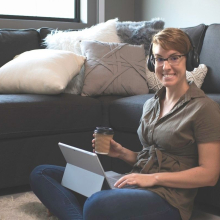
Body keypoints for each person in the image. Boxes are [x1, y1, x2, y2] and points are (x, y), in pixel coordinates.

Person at [30, 28, 220, 220]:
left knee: (97, 204)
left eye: (174, 58)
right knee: (42, 174)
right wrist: (120, 152)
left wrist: (151, 179)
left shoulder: (204, 108)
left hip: (168, 199)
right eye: (160, 59)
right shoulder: (151, 104)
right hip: (133, 183)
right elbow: (150, 159)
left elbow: (209, 174)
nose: (166, 66)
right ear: (152, 62)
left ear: (189, 59)